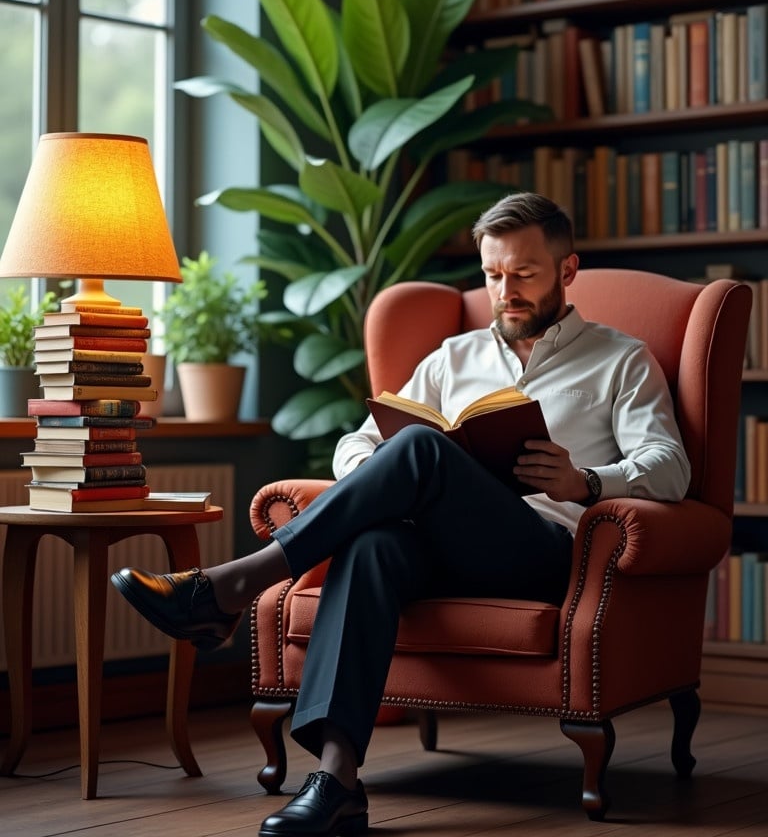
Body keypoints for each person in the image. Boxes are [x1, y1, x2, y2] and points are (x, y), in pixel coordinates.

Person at [111, 192, 691, 837]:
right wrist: (380, 480)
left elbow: (670, 465)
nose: (506, 291)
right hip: (438, 547)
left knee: (418, 448)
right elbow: (356, 442)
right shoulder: (453, 357)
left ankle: (234, 585)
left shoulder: (621, 359)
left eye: (523, 274)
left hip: (544, 553)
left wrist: (586, 481)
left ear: (567, 270)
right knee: (374, 544)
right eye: (493, 275)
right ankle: (338, 782)